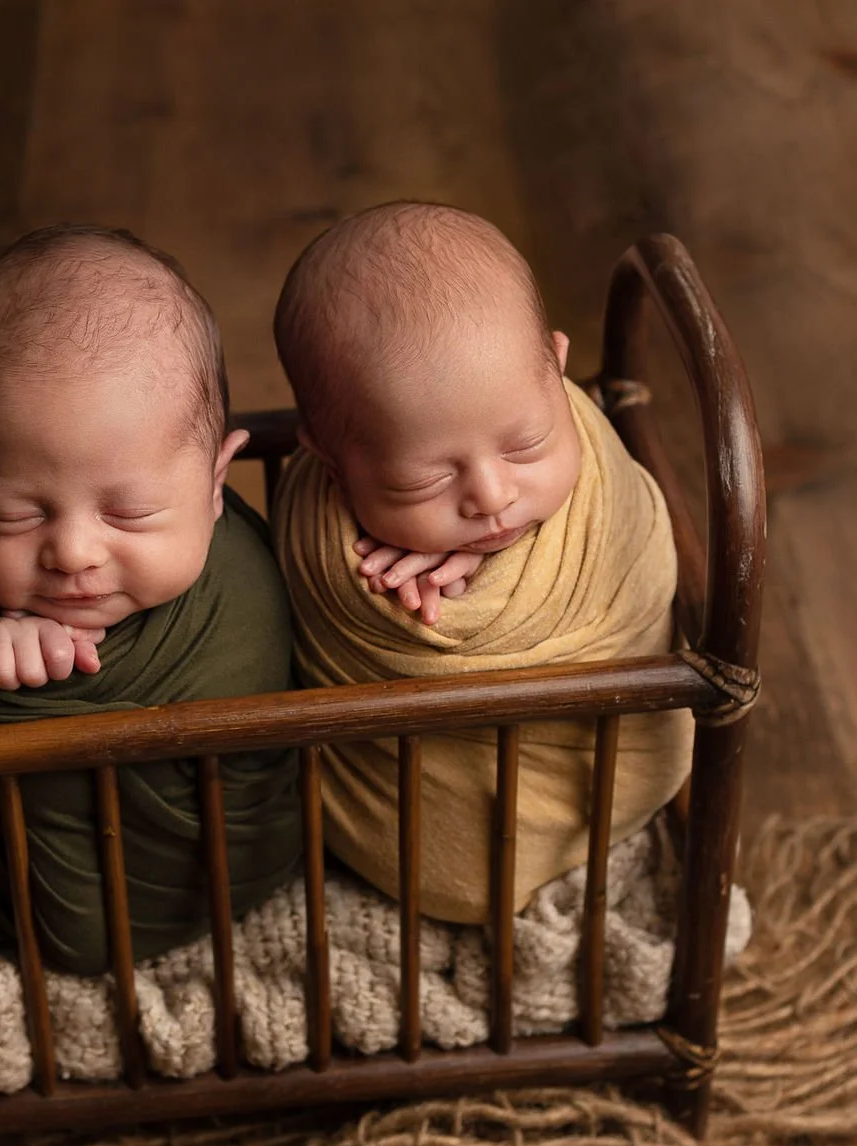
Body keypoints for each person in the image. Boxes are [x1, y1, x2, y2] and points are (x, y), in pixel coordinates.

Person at [0, 225, 302, 975]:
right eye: (16, 515)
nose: (73, 553)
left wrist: (44, 705)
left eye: (127, 513)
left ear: (216, 482)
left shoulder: (243, 604)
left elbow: (251, 793)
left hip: (189, 884)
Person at [271, 201, 691, 922]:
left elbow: (633, 555)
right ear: (330, 461)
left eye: (526, 444)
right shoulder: (323, 528)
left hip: (599, 774)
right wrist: (424, 595)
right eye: (422, 481)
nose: (493, 498)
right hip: (414, 825)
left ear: (558, 368)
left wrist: (487, 571)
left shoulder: (594, 471)